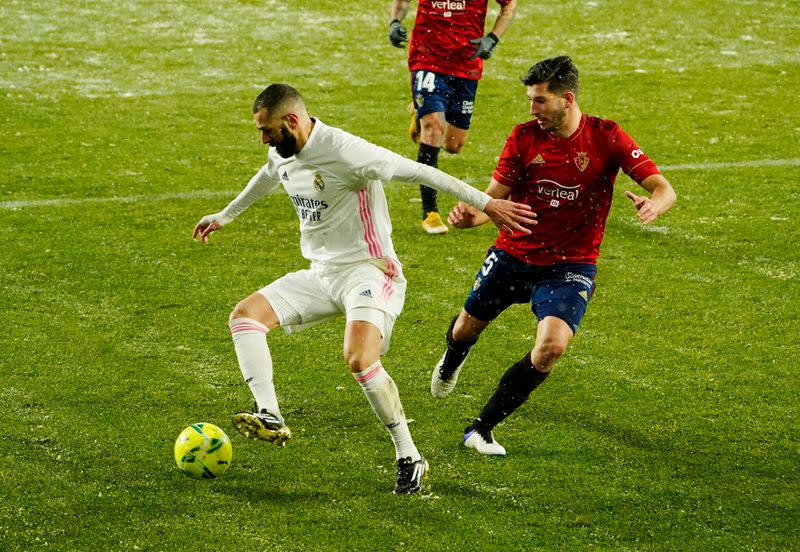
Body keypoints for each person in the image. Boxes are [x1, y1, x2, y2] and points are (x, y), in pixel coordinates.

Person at [193, 84, 535, 493]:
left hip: (369, 272)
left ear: (292, 121)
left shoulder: (346, 151)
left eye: (267, 130)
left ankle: (409, 455)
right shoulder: (280, 151)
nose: (264, 139)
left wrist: (487, 203)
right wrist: (225, 215)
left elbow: (422, 171)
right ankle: (270, 415)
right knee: (245, 316)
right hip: (321, 273)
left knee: (358, 359)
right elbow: (268, 175)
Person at [430, 56, 677, 456]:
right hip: (514, 252)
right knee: (464, 330)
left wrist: (654, 205)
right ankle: (453, 359)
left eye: (540, 101)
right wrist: (469, 217)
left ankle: (481, 428)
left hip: (571, 264)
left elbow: (664, 188)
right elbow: (493, 200)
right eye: (530, 100)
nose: (532, 109)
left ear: (568, 98)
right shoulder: (524, 138)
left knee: (551, 348)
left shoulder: (607, 136)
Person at [387, 0, 517, 234]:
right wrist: (395, 22)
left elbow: (509, 5)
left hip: (466, 64)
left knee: (453, 145)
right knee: (433, 129)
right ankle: (430, 213)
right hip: (427, 57)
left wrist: (492, 38)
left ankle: (421, 112)